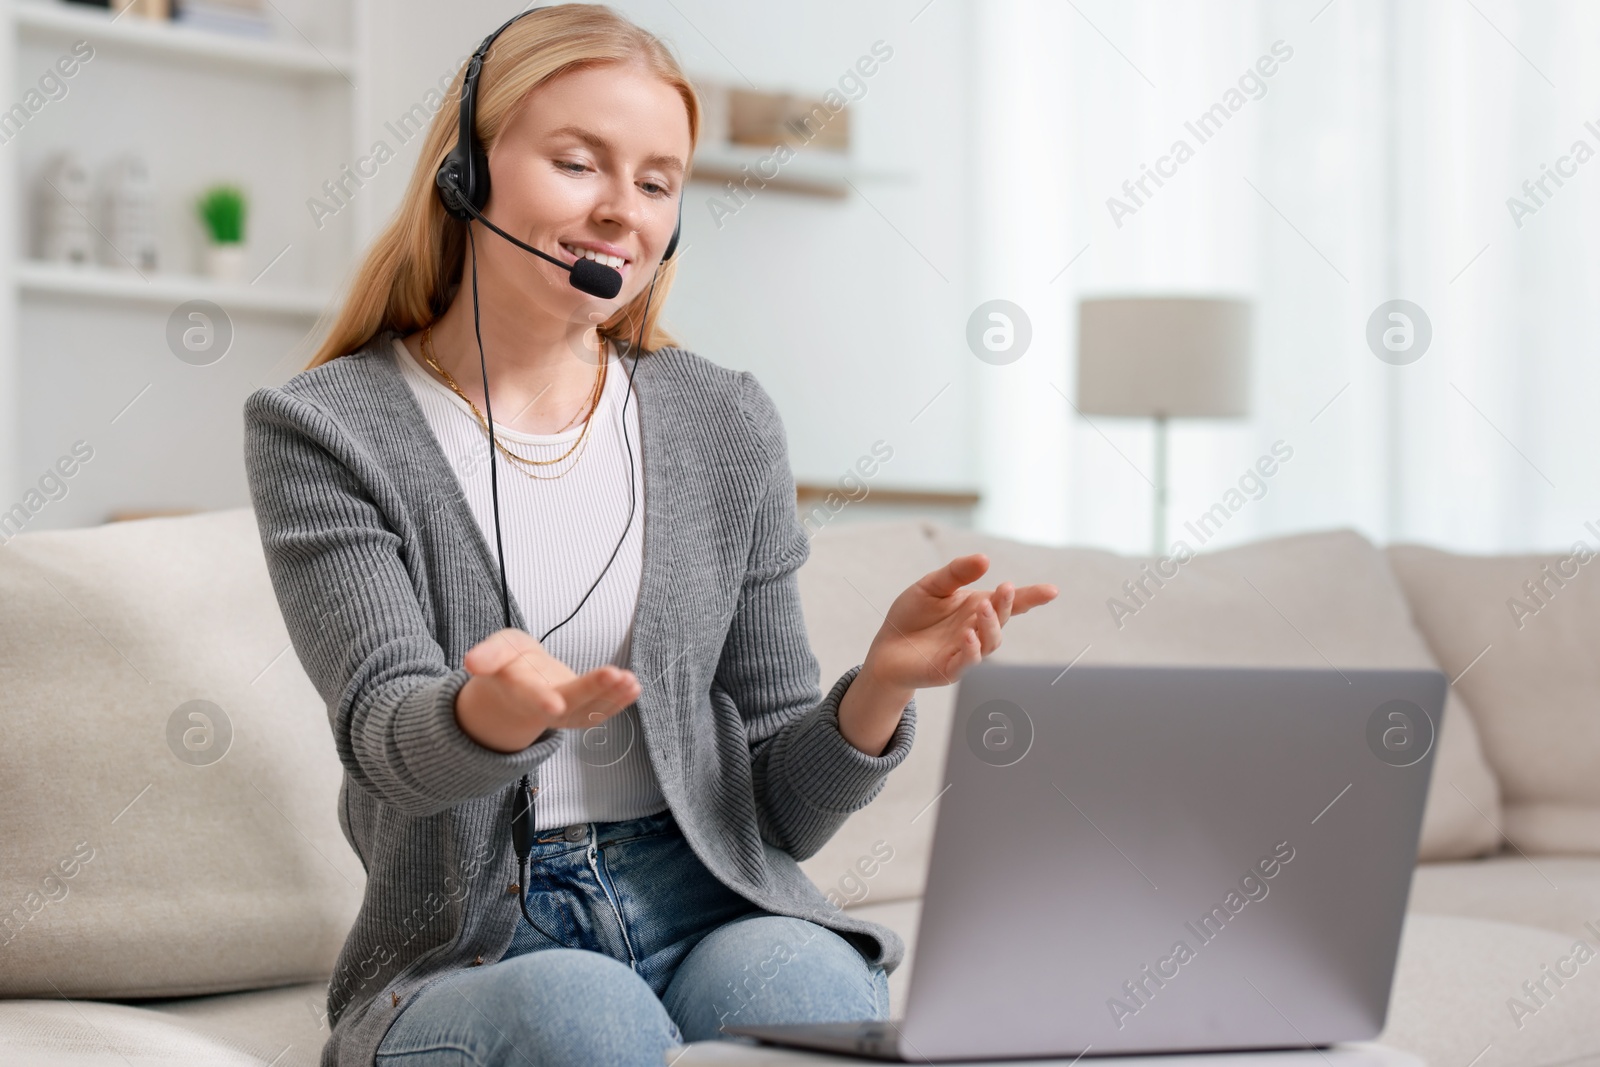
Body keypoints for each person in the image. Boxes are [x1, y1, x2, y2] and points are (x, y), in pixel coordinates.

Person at [243, 5, 1056, 1065]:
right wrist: (487, 713)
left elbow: (775, 816)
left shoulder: (722, 420)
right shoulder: (326, 426)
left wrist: (877, 691)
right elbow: (386, 743)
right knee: (585, 1013)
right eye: (579, 163)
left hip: (702, 896)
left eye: (658, 181)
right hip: (477, 943)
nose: (621, 211)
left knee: (814, 980)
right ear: (466, 175)